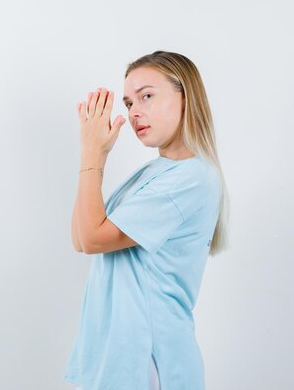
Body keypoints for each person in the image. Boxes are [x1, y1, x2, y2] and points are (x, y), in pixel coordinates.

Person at [63, 50, 230, 390]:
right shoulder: (152, 174)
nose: (135, 112)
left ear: (186, 97)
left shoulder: (192, 178)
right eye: (128, 103)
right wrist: (95, 156)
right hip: (118, 359)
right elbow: (81, 238)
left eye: (147, 97)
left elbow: (92, 237)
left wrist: (91, 154)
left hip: (149, 362)